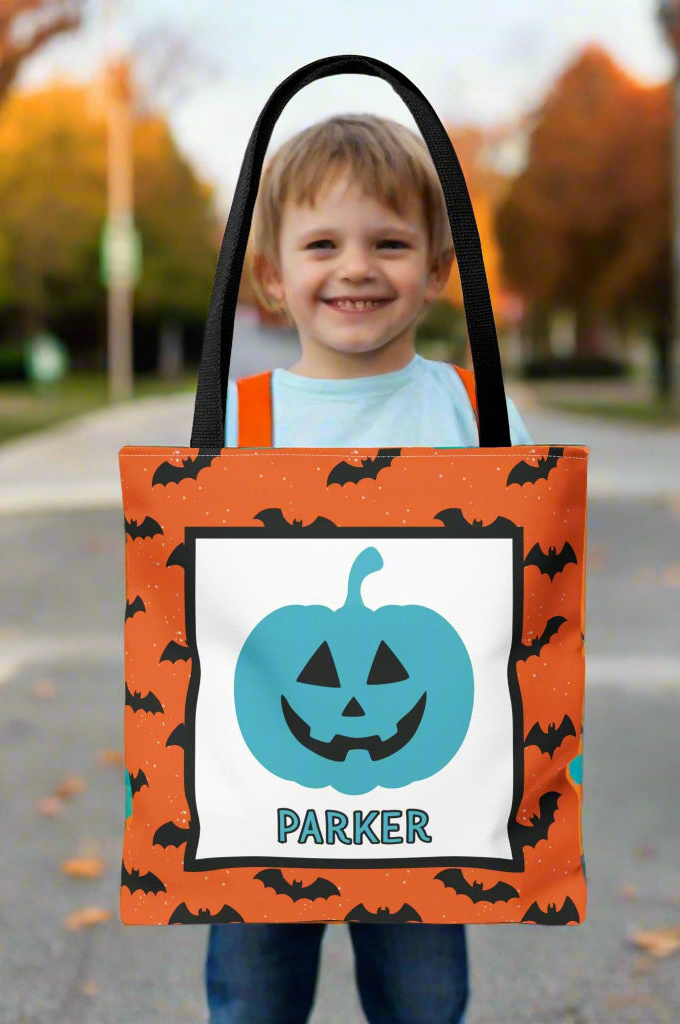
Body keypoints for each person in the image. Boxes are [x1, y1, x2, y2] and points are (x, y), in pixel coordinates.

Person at [208, 112, 534, 1024]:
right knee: (252, 1001)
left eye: (388, 243)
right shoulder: (236, 422)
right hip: (261, 802)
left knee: (426, 1001)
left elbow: (530, 580)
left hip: (430, 800)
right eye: (322, 244)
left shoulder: (474, 415)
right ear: (272, 277)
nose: (356, 267)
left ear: (437, 270)